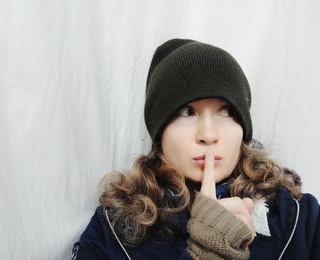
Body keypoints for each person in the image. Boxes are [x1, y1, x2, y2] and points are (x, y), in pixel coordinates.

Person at [71, 39, 320, 259]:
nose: (209, 134)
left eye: (227, 111)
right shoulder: (115, 229)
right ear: (160, 132)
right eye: (187, 112)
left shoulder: (299, 218)